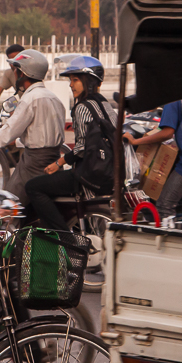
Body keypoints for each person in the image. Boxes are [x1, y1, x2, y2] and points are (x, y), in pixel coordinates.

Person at [27, 56, 115, 232]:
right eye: (70, 80)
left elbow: (82, 148)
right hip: (108, 173)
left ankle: (64, 235)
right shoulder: (105, 104)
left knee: (33, 187)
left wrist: (58, 163)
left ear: (88, 81)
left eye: (75, 80)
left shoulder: (82, 107)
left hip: (88, 176)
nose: (70, 85)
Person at [0, 49, 65, 201]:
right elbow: (42, 133)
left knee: (10, 203)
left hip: (33, 164)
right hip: (54, 159)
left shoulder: (29, 99)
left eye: (15, 69)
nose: (14, 73)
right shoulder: (54, 98)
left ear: (22, 73)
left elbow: (5, 135)